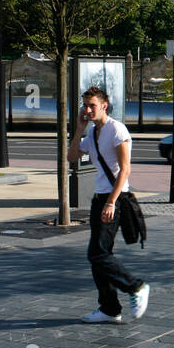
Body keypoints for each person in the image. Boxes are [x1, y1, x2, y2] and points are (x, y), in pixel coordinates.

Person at [67, 86, 149, 324]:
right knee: (98, 255)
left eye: (92, 105)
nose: (88, 109)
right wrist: (79, 130)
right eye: (85, 105)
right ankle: (109, 308)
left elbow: (125, 169)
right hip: (99, 198)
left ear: (104, 105)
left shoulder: (116, 129)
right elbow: (72, 157)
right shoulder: (92, 133)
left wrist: (112, 202)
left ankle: (135, 287)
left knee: (97, 252)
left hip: (115, 198)